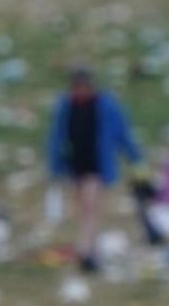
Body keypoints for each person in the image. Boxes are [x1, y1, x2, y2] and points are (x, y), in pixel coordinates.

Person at [46, 67, 140, 270]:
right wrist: (55, 167)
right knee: (82, 210)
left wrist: (135, 159)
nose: (78, 91)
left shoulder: (105, 106)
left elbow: (122, 132)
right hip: (74, 166)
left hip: (97, 165)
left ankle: (87, 252)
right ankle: (89, 249)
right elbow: (56, 137)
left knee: (90, 207)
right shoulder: (66, 106)